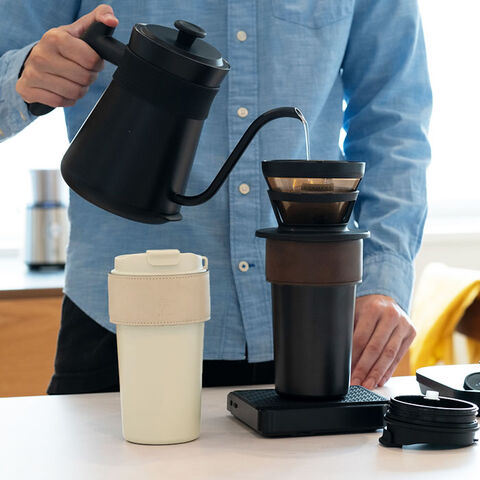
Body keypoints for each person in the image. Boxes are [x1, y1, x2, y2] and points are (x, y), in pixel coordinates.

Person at [1, 1, 431, 394]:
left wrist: (383, 277)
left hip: (316, 322)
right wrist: (27, 72)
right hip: (122, 327)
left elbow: (395, 123)